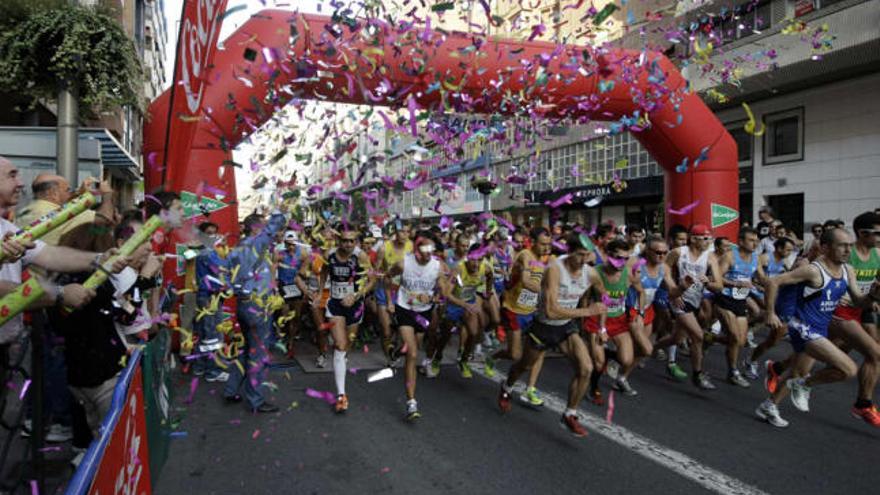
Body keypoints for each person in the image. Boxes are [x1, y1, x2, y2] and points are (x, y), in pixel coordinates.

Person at [755, 228, 880, 428]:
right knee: (848, 369)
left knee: (798, 371)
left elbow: (858, 301)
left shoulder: (848, 270)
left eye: (849, 245)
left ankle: (769, 406)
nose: (848, 250)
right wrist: (770, 313)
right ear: (825, 247)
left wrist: (873, 296)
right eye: (842, 245)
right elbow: (773, 282)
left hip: (820, 327)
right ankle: (803, 385)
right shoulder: (812, 270)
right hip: (802, 326)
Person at [498, 233, 605, 438]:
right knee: (524, 365)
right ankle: (507, 386)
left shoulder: (590, 274)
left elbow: (604, 298)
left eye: (587, 256)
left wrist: (602, 328)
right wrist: (586, 312)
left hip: (566, 326)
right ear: (569, 252)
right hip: (544, 326)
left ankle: (569, 414)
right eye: (579, 256)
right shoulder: (555, 270)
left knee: (586, 368)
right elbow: (550, 310)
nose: (583, 261)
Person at [386, 233, 462, 421]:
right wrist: (390, 300)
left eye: (432, 249)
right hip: (405, 309)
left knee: (413, 349)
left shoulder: (438, 267)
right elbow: (387, 278)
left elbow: (443, 293)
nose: (429, 253)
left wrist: (439, 292)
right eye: (425, 249)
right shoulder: (404, 264)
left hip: (423, 314)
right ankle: (411, 402)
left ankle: (398, 352)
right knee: (412, 353)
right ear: (416, 248)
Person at [223, 210, 286, 413]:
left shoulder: (237, 247)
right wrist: (283, 206)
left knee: (246, 348)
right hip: (258, 307)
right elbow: (276, 223)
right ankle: (255, 400)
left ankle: (231, 389)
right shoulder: (256, 244)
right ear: (255, 228)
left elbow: (226, 277)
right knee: (258, 354)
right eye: (263, 225)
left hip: (243, 304)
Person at [655, 224, 722, 390]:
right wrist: (674, 291)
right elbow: (664, 270)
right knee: (698, 336)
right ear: (693, 239)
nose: (708, 242)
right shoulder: (679, 252)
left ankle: (646, 350)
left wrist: (710, 282)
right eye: (705, 238)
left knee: (675, 339)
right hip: (679, 300)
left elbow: (719, 285)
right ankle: (698, 374)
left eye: (709, 238)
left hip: (695, 300)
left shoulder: (710, 257)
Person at [829, 211, 880, 426]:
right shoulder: (848, 255)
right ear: (862, 233)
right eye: (878, 233)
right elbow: (824, 274)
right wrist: (838, 296)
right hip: (837, 312)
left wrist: (874, 298)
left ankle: (863, 403)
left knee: (868, 353)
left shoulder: (878, 254)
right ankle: (863, 404)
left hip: (862, 308)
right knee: (874, 352)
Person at [492, 227, 552, 406]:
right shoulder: (525, 255)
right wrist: (545, 293)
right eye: (542, 244)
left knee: (539, 351)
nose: (546, 248)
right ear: (532, 241)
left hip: (531, 311)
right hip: (513, 309)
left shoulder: (546, 259)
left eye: (548, 244)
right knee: (514, 354)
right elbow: (526, 281)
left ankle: (530, 389)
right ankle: (493, 357)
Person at [321, 224, 375, 413]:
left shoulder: (360, 256)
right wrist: (320, 291)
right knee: (340, 346)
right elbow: (324, 271)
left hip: (355, 306)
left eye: (352, 240)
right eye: (345, 240)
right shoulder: (330, 254)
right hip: (335, 304)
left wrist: (357, 295)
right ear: (339, 240)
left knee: (347, 347)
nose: (348, 244)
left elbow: (372, 279)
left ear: (356, 241)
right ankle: (341, 395)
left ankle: (340, 362)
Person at [584, 239, 647, 399]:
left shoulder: (627, 274)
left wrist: (640, 313)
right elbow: (585, 298)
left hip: (618, 320)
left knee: (627, 360)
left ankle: (605, 353)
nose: (622, 262)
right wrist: (582, 320)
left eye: (626, 259)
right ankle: (593, 389)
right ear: (608, 255)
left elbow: (641, 292)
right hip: (596, 320)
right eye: (618, 258)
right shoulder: (595, 273)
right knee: (598, 363)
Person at [712, 227, 764, 388]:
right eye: (751, 240)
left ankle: (709, 337)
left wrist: (771, 285)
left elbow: (762, 277)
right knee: (734, 336)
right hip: (724, 299)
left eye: (756, 240)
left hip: (740, 300)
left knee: (740, 341)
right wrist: (737, 283)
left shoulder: (756, 258)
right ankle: (733, 372)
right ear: (741, 241)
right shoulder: (730, 256)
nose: (754, 243)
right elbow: (717, 277)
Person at [375, 221, 412, 365]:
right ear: (395, 232)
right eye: (402, 231)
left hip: (404, 291)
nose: (405, 235)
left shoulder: (411, 247)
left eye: (408, 232)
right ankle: (388, 358)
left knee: (401, 329)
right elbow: (375, 270)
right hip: (384, 290)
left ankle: (394, 351)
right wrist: (382, 274)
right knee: (386, 330)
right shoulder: (384, 248)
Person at [275, 230, 310, 356]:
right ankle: (284, 335)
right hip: (283, 286)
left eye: (293, 244)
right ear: (284, 243)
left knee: (296, 316)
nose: (291, 247)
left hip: (296, 287)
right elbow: (272, 270)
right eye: (288, 244)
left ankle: (291, 341)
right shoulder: (279, 255)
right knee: (284, 314)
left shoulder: (303, 254)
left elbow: (303, 272)